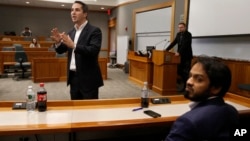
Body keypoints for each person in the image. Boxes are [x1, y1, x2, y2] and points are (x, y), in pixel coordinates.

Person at [165, 56, 239, 141]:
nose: (189, 82)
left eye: (199, 79)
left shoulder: (187, 122)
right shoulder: (232, 111)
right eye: (190, 76)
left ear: (216, 88)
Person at [50, 1, 103, 100]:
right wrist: (58, 43)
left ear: (85, 14)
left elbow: (93, 50)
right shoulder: (71, 32)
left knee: (89, 111)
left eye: (77, 10)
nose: (73, 13)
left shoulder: (94, 30)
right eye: (72, 10)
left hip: (88, 78)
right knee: (75, 111)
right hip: (73, 78)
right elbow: (61, 50)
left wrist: (74, 45)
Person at [166, 22, 193, 92]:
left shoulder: (188, 34)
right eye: (179, 27)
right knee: (180, 71)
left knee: (186, 72)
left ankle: (187, 88)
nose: (180, 29)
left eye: (181, 27)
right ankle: (182, 86)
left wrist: (179, 52)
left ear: (185, 28)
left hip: (186, 56)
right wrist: (166, 50)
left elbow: (185, 44)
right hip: (180, 57)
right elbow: (174, 42)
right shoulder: (178, 34)